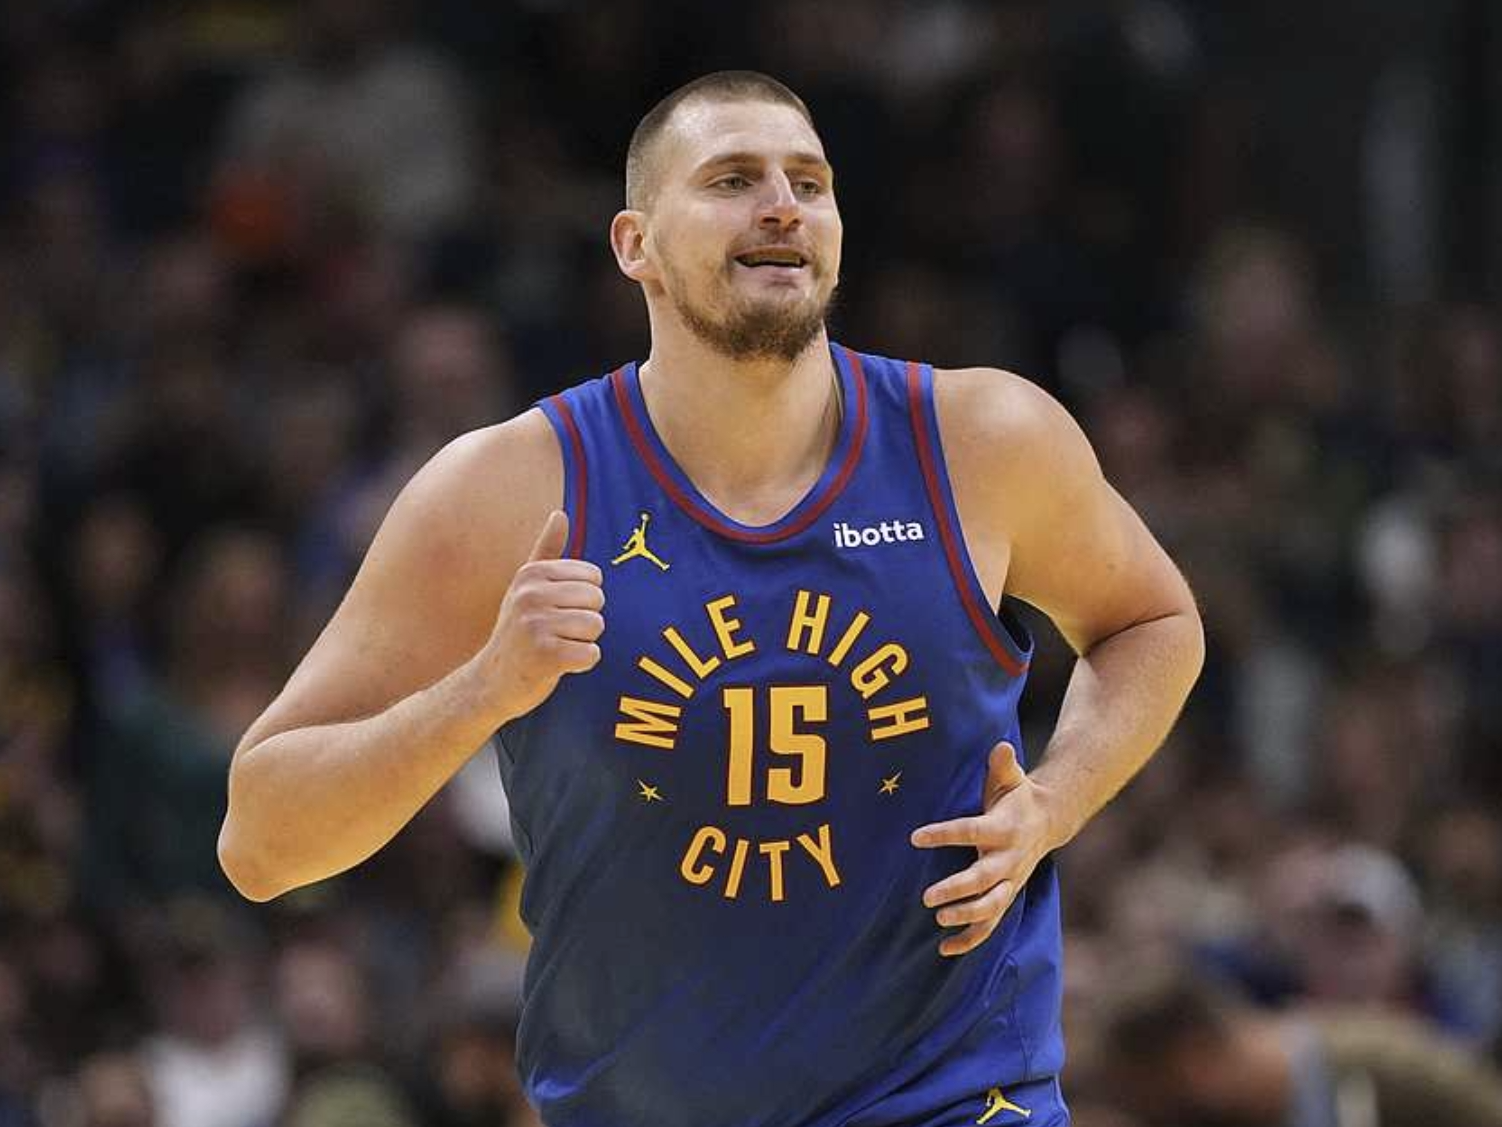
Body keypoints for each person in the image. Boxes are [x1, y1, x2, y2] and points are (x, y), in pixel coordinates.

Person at [218, 71, 1204, 1127]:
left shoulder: (982, 439)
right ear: (634, 244)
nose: (782, 205)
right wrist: (483, 689)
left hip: (957, 1098)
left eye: (809, 183)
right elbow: (263, 841)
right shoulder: (506, 489)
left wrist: (1055, 801)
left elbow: (1152, 621)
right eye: (733, 180)